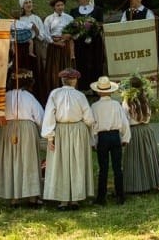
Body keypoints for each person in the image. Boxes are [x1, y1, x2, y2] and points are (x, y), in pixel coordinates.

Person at [40, 67, 95, 210]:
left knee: (61, 164)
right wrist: (90, 129)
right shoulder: (80, 96)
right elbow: (88, 118)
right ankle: (75, 199)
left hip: (60, 130)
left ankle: (63, 200)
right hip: (77, 130)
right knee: (77, 163)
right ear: (75, 81)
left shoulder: (54, 94)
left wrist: (50, 137)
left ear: (62, 80)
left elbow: (49, 116)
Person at [0, 69, 44, 206]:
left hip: (9, 129)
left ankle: (14, 196)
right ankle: (32, 196)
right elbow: (40, 116)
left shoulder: (5, 96)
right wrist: (45, 131)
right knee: (28, 160)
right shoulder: (28, 97)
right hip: (26, 129)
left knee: (11, 160)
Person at [88, 76, 131, 205]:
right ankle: (120, 195)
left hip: (102, 137)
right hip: (114, 136)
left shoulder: (94, 106)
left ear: (98, 91)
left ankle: (101, 197)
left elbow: (92, 126)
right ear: (111, 91)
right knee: (118, 167)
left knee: (103, 168)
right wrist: (125, 137)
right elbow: (124, 122)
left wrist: (93, 142)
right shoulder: (116, 105)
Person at [120, 76, 159, 194]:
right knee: (148, 156)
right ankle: (153, 183)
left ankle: (135, 186)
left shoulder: (127, 102)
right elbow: (148, 115)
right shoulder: (145, 100)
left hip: (134, 131)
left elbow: (124, 119)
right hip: (146, 130)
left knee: (135, 157)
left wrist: (123, 135)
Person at [12, 0, 46, 101]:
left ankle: (35, 95)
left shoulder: (36, 18)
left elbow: (42, 35)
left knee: (34, 69)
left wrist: (36, 31)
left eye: (30, 2)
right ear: (22, 6)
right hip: (21, 47)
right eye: (26, 3)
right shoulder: (19, 19)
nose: (28, 4)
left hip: (33, 46)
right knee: (21, 69)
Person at [41, 0, 74, 104]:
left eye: (62, 5)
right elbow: (45, 34)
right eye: (58, 5)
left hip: (65, 45)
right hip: (54, 46)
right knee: (54, 68)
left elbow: (74, 31)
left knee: (66, 65)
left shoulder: (69, 18)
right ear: (54, 7)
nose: (60, 7)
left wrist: (68, 37)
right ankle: (55, 90)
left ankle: (69, 90)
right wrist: (55, 42)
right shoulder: (49, 19)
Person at [69, 0, 105, 86]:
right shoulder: (74, 11)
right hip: (80, 41)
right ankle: (83, 85)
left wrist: (92, 26)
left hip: (94, 41)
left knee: (95, 62)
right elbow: (72, 25)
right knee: (81, 62)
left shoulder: (98, 10)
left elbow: (101, 24)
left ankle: (97, 85)